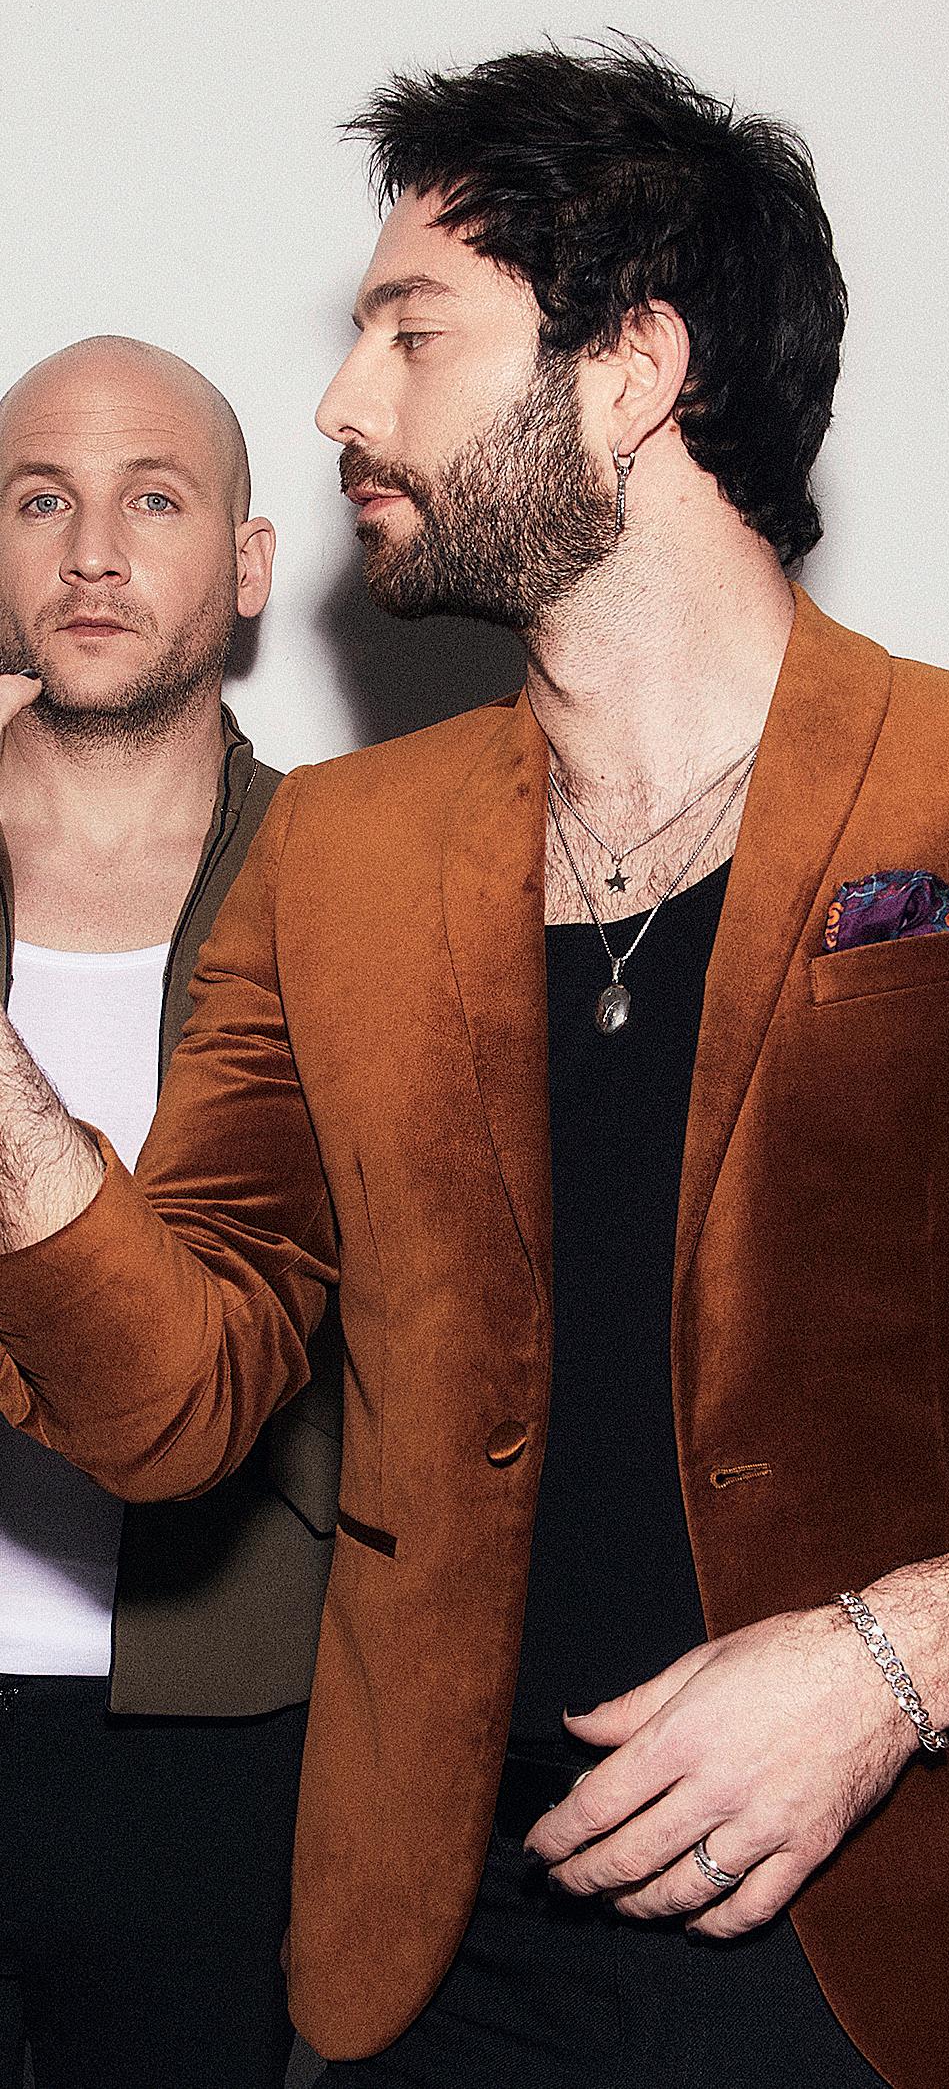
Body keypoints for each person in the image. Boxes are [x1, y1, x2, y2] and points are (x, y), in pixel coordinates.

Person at [0, 45, 949, 2089]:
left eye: (413, 332)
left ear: (633, 367)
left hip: (936, 1956)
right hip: (454, 1965)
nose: (342, 403)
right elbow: (176, 1402)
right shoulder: (339, 857)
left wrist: (899, 1659)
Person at [0, 337, 335, 2087]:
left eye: (153, 499)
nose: (92, 552)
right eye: (38, 499)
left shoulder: (353, 881)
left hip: (224, 1723)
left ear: (248, 563)